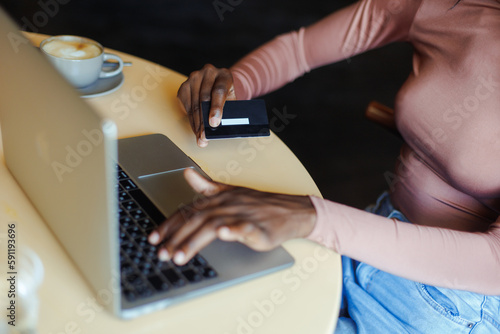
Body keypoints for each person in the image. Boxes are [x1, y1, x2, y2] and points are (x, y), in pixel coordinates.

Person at [148, 0, 500, 332]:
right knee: (195, 302)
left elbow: (493, 262)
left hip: (453, 308)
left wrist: (314, 217)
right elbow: (299, 50)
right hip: (370, 233)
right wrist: (230, 91)